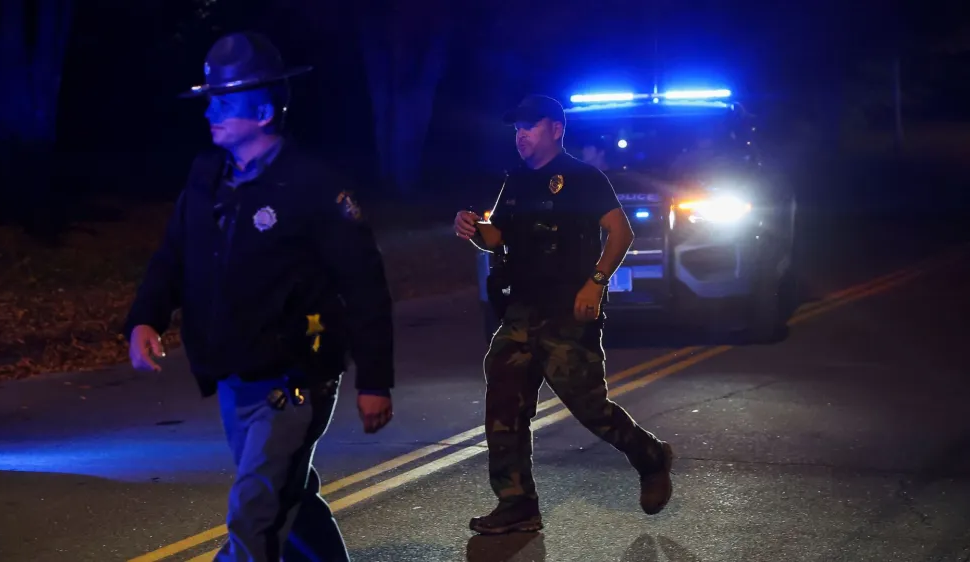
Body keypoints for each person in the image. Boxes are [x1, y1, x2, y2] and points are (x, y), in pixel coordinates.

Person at [123, 31, 396, 562]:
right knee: (285, 496)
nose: (210, 112)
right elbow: (173, 255)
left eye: (224, 101)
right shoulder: (207, 178)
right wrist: (145, 318)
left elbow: (364, 286)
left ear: (264, 111)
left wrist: (376, 381)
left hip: (296, 379)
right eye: (210, 99)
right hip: (234, 376)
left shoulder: (313, 187)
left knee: (254, 512)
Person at [453, 94, 674, 535]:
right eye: (517, 129)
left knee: (588, 405)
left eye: (529, 127)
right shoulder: (516, 181)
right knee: (504, 401)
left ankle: (650, 456)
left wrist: (595, 282)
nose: (520, 136)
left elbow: (620, 232)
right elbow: (499, 238)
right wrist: (474, 229)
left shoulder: (583, 178)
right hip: (523, 310)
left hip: (568, 313)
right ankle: (516, 504)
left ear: (556, 129)